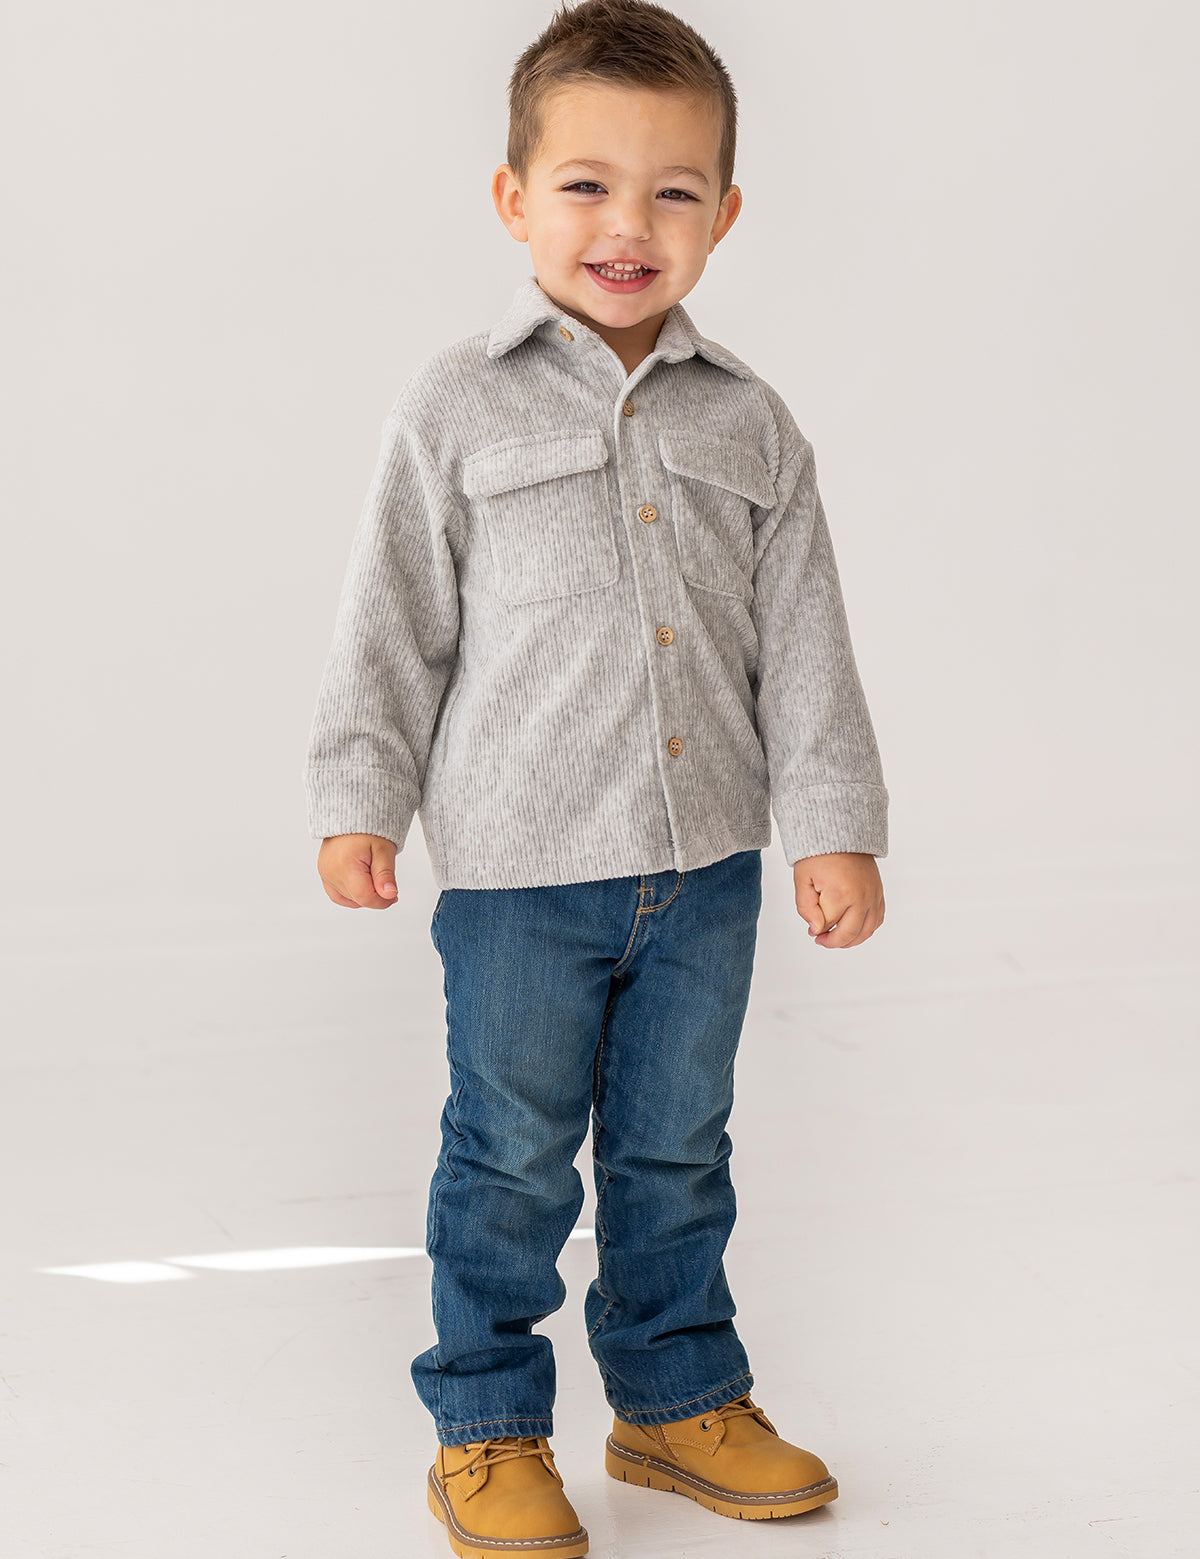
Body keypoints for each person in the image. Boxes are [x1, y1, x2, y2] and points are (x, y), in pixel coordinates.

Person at [303, 1, 889, 1552]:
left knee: (676, 1146)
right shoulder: (456, 405)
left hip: (707, 871)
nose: (629, 224)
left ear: (726, 215)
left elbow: (808, 643)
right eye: (585, 184)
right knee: (506, 1155)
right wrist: (356, 795)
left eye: (674, 191)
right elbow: (392, 622)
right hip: (515, 872)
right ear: (513, 198)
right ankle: (487, 1426)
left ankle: (676, 1398)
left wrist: (834, 831)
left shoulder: (752, 424)